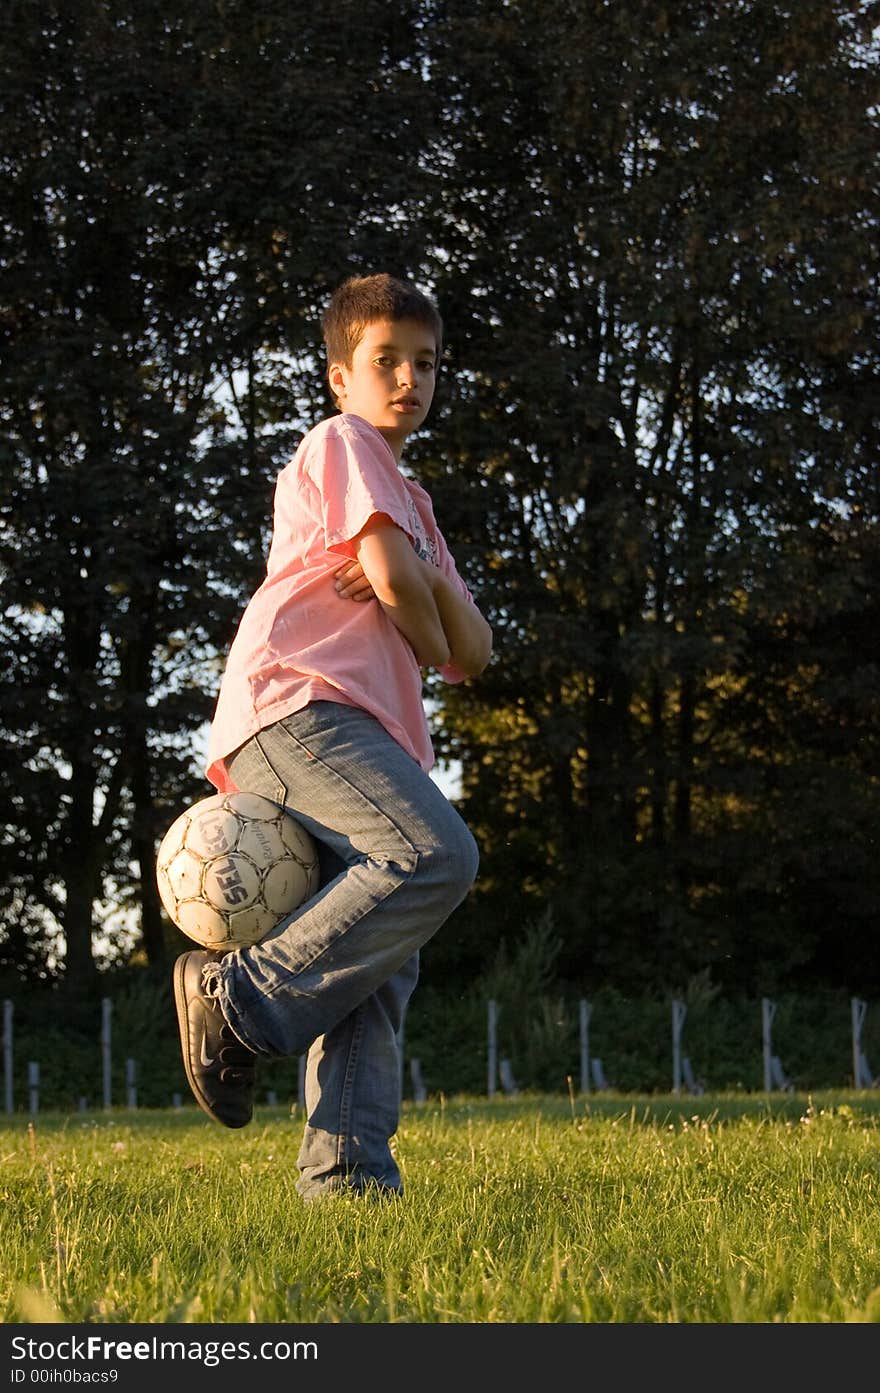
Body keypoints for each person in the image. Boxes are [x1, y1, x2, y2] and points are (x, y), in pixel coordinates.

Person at [173, 272, 493, 1200]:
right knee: (435, 854)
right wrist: (413, 605)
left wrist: (416, 595)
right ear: (338, 378)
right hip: (299, 706)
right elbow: (407, 595)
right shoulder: (342, 441)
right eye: (384, 359)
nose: (408, 378)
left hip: (358, 726)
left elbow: (475, 651)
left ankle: (346, 1177)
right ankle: (237, 1002)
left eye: (425, 362)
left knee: (379, 958)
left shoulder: (414, 502)